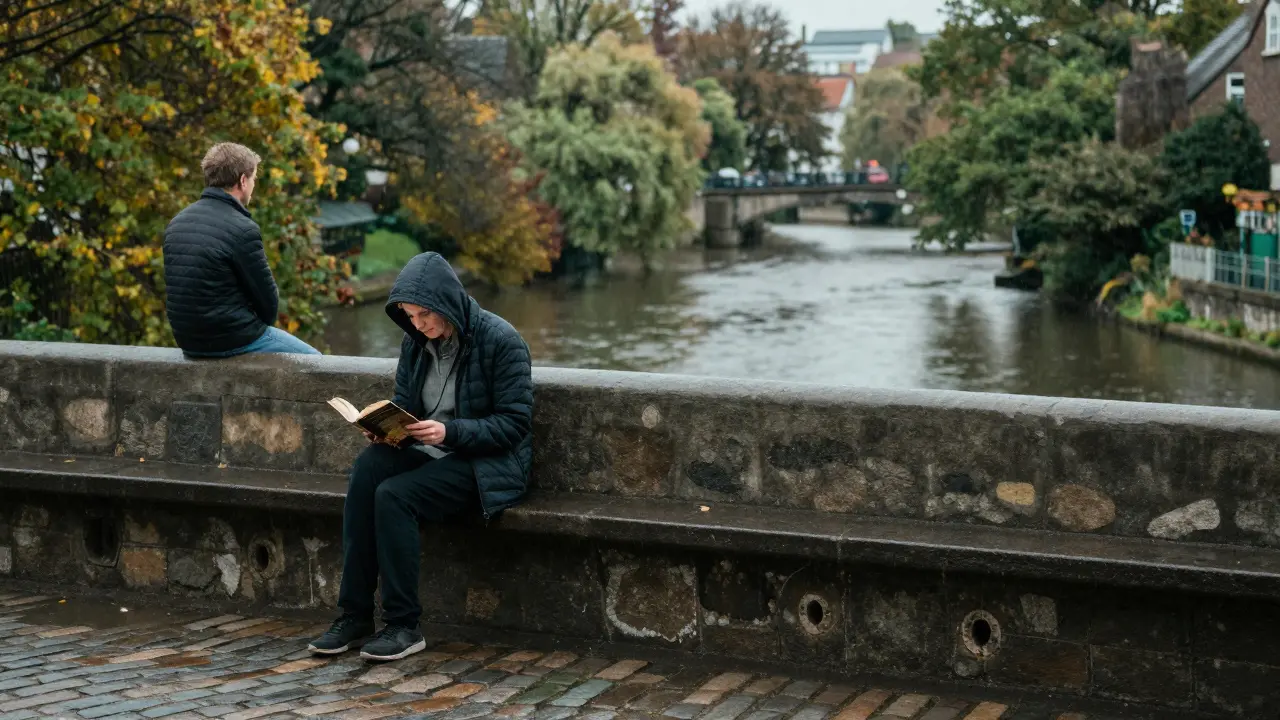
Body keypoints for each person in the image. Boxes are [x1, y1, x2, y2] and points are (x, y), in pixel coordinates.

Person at [308, 252, 534, 662]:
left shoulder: (501, 341)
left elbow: (514, 425)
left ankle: (403, 625)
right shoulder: (415, 344)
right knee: (367, 470)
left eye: (425, 315)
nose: (419, 325)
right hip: (430, 452)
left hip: (486, 466)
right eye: (411, 317)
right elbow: (406, 404)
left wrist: (451, 431)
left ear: (447, 301)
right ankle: (355, 615)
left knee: (394, 495)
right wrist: (385, 429)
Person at [163, 142, 320, 357]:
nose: (254, 186)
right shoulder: (242, 229)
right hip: (230, 339)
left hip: (188, 341)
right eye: (254, 178)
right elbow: (268, 305)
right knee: (316, 362)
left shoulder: (177, 222)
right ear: (243, 181)